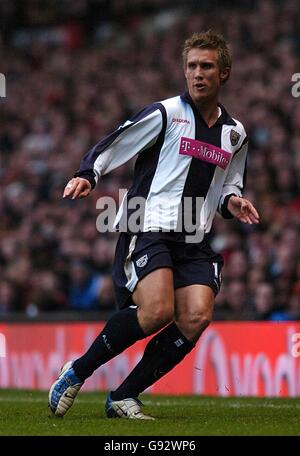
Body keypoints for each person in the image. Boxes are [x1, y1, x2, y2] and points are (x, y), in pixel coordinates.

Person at [48, 30, 259, 420]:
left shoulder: (236, 134)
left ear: (224, 73)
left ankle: (124, 396)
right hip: (149, 227)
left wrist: (232, 200)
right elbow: (116, 142)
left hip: (194, 238)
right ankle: (75, 373)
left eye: (206, 66)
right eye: (192, 66)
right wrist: (88, 174)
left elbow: (229, 181)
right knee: (159, 310)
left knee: (197, 315)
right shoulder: (166, 114)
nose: (197, 74)